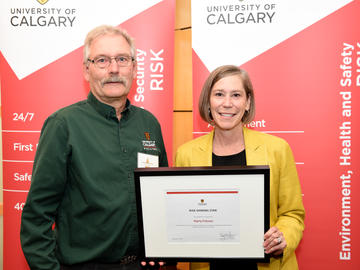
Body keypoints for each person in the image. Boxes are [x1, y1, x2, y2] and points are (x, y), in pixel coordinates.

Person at [20, 25, 168, 270]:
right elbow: (37, 215)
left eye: (122, 59)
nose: (113, 69)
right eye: (102, 60)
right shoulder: (63, 125)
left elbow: (160, 198)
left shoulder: (149, 123)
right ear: (86, 71)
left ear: (134, 67)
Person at [175, 65, 305, 270]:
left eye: (236, 95)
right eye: (219, 94)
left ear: (247, 103)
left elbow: (293, 214)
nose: (227, 104)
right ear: (208, 102)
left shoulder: (277, 149)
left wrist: (283, 237)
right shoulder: (186, 154)